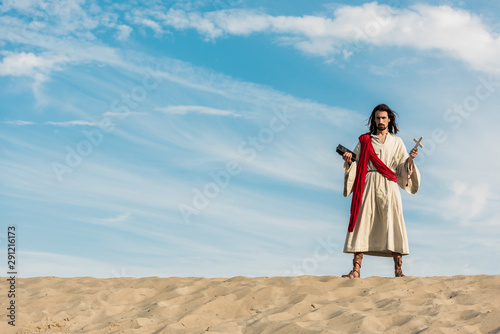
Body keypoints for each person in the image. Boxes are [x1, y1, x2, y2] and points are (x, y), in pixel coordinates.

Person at [341, 104, 420, 278]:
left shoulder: (397, 142)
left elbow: (401, 169)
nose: (381, 121)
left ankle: (398, 271)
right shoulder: (365, 140)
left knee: (393, 222)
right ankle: (356, 270)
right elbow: (355, 162)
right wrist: (348, 161)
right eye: (378, 118)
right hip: (368, 184)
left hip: (389, 185)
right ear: (373, 120)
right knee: (363, 222)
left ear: (389, 119)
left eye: (384, 118)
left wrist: (410, 160)